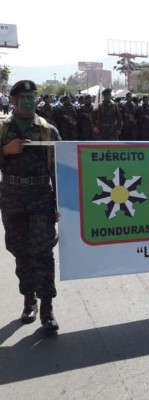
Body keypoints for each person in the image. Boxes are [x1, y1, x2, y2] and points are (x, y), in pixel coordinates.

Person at [0, 80, 61, 331]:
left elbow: (59, 170)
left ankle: (47, 308)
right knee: (21, 252)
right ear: (12, 101)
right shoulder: (3, 130)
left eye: (32, 96)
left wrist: (60, 203)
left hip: (41, 197)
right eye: (23, 97)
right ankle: (29, 300)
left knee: (43, 253)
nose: (28, 101)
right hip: (11, 197)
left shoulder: (48, 131)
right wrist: (5, 150)